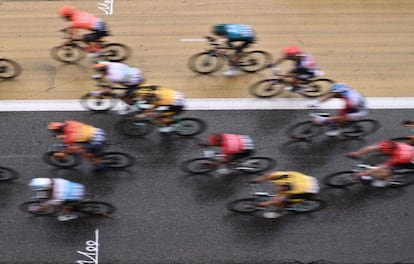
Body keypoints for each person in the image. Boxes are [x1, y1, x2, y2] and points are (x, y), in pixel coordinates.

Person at [251, 171, 320, 218]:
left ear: (288, 190)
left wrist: (261, 204)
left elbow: (277, 201)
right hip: (306, 180)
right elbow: (269, 175)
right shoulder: (286, 176)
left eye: (282, 189)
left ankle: (279, 212)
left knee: (281, 203)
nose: (278, 188)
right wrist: (257, 180)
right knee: (278, 198)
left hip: (308, 190)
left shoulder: (295, 191)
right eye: (280, 185)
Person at [348, 140, 414, 187]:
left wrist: (361, 174)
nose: (381, 151)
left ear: (390, 150)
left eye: (383, 151)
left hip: (409, 162)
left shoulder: (401, 156)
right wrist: (356, 154)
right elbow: (372, 147)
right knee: (379, 168)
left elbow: (384, 166)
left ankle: (384, 181)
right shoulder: (395, 144)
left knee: (386, 171)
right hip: (407, 153)